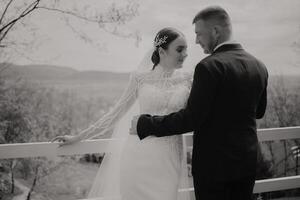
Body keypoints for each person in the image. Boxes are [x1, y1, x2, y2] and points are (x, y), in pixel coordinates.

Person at [131, 6, 269, 200]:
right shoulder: (259, 66)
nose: (196, 40)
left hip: (213, 168)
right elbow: (259, 112)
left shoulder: (208, 67)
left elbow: (191, 119)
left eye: (199, 34)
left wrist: (146, 124)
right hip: (247, 163)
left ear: (215, 31)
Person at [52, 27, 193, 200]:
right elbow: (115, 113)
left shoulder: (187, 80)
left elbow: (194, 116)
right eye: (180, 49)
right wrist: (78, 137)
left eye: (186, 49)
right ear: (162, 51)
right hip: (139, 156)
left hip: (170, 159)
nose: (185, 54)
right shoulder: (140, 79)